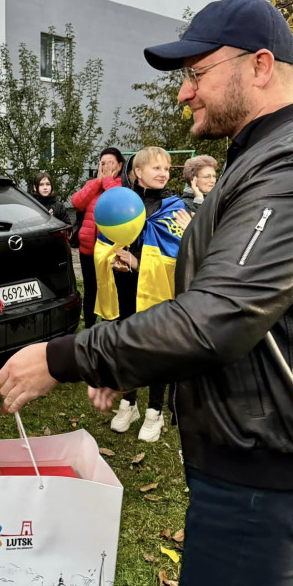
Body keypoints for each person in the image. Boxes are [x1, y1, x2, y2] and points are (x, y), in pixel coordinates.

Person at [0, 0, 293, 586]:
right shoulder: (261, 158)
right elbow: (219, 308)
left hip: (269, 465)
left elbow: (219, 316)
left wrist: (64, 357)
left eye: (195, 73)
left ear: (261, 66)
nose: (184, 92)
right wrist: (129, 362)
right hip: (251, 450)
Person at [106, 147, 184, 439]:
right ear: (138, 172)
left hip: (157, 289)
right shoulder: (122, 202)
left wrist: (139, 263)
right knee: (128, 344)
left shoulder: (174, 207)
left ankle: (155, 410)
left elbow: (178, 256)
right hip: (127, 286)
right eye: (156, 168)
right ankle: (129, 402)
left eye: (166, 168)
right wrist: (115, 258)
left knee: (155, 348)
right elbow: (106, 241)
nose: (163, 173)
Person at [70, 148, 124, 327]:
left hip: (109, 251)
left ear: (120, 165)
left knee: (109, 289)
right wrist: (97, 182)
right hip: (87, 249)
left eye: (110, 163)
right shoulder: (92, 184)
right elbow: (77, 202)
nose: (106, 166)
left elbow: (118, 202)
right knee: (90, 289)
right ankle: (90, 326)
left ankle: (110, 326)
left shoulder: (123, 186)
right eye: (102, 163)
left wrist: (107, 180)